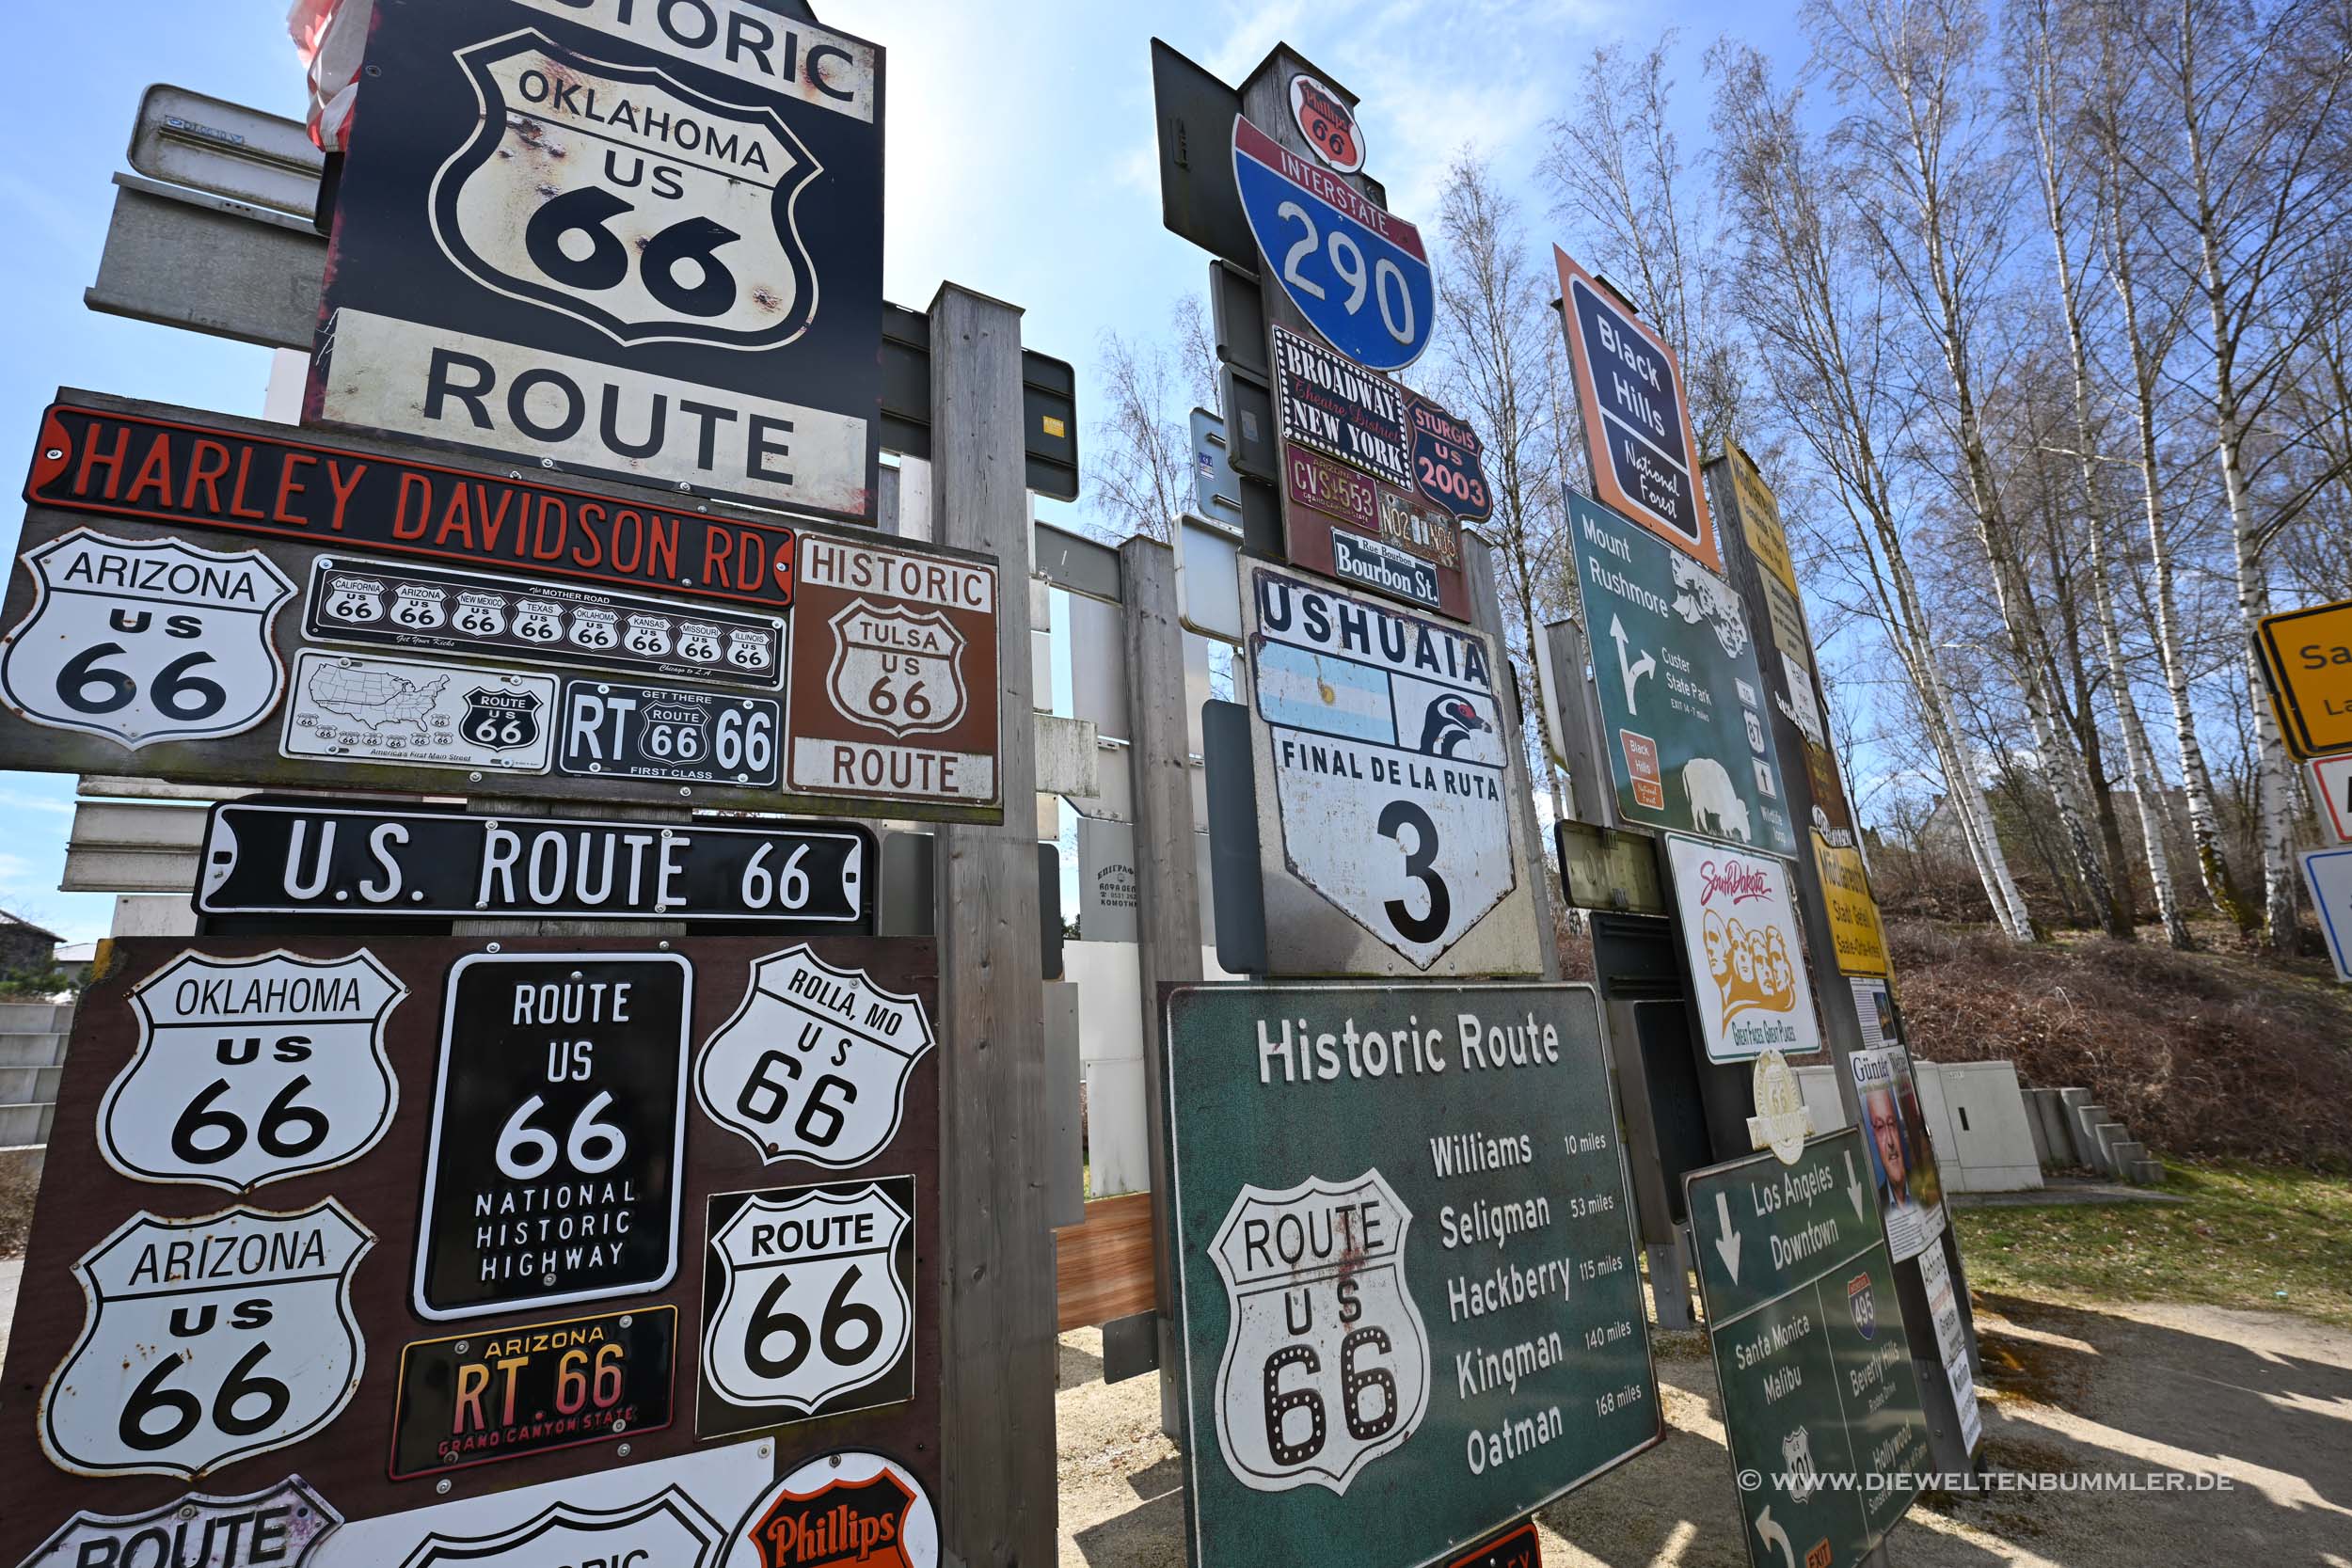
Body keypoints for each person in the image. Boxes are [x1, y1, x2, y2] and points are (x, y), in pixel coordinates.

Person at [1867, 1085, 1912, 1210]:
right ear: (1874, 1136)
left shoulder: (1923, 1185)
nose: (1890, 1142)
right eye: (1880, 1127)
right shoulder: (1877, 1205)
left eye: (1891, 1124)